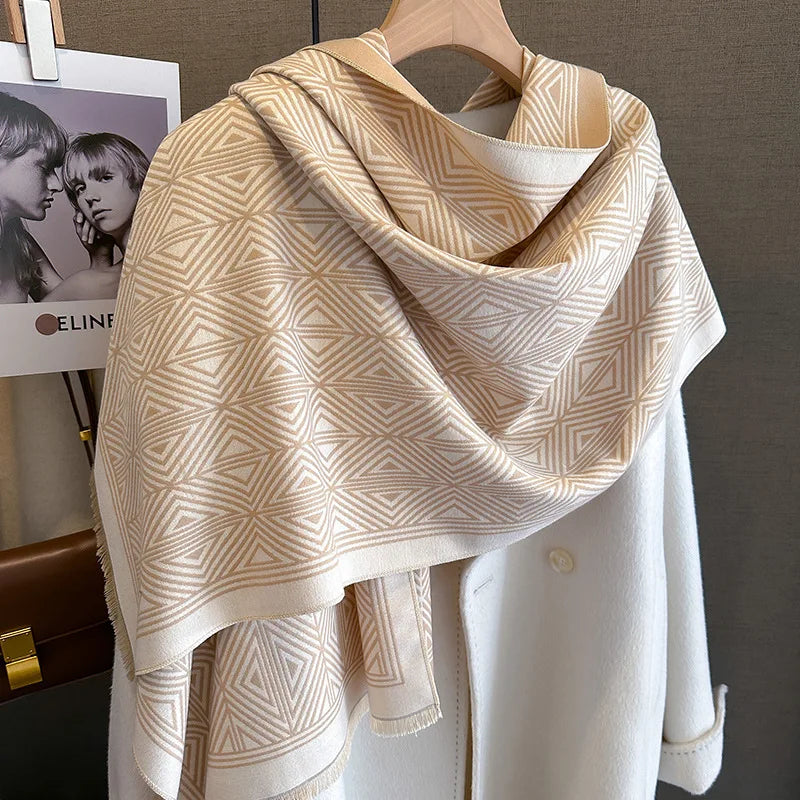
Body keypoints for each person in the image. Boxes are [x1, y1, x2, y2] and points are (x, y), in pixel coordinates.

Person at [42, 132, 150, 302]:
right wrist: (100, 261)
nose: (89, 197)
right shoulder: (87, 285)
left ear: (140, 179)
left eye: (105, 178)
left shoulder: (86, 285)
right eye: (80, 188)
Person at [0, 90, 68, 303]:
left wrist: (101, 259)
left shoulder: (20, 244)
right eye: (44, 168)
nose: (58, 185)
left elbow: (68, 308)